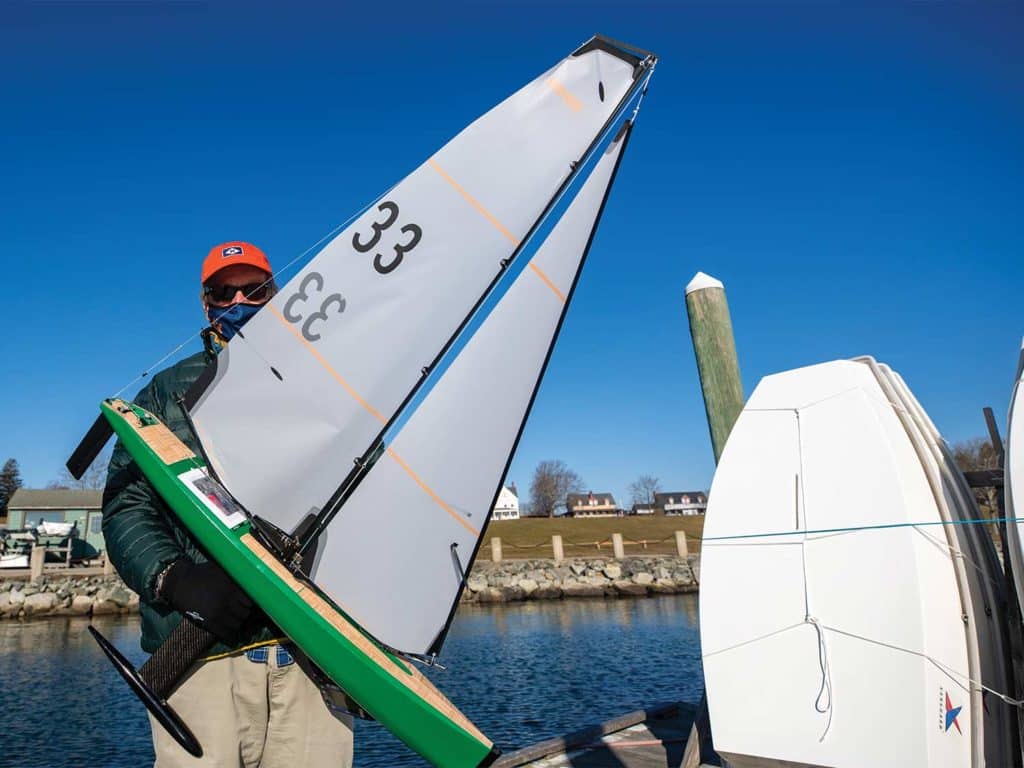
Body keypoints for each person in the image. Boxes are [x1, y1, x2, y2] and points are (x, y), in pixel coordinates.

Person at [102, 241, 355, 768]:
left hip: (311, 654)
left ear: (276, 295)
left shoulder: (325, 387)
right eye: (224, 290)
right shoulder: (164, 394)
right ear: (206, 302)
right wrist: (174, 579)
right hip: (198, 656)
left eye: (255, 289)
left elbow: (365, 490)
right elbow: (127, 504)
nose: (239, 300)